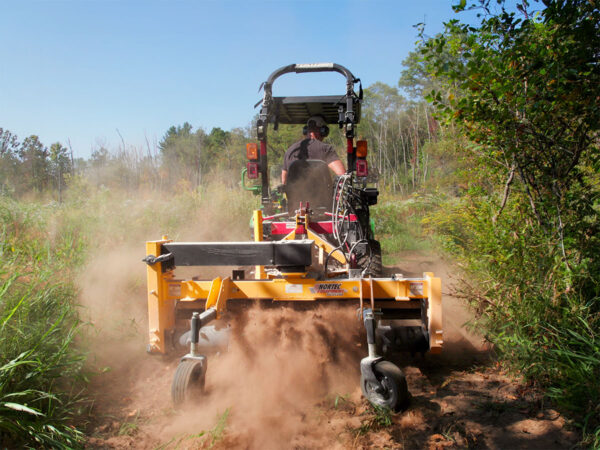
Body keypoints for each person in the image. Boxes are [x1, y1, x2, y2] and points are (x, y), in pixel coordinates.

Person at [281, 115, 345, 184]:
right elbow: (342, 175)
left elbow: (284, 181)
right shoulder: (325, 149)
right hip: (322, 194)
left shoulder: (290, 151)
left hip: (295, 194)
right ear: (323, 131)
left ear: (306, 131)